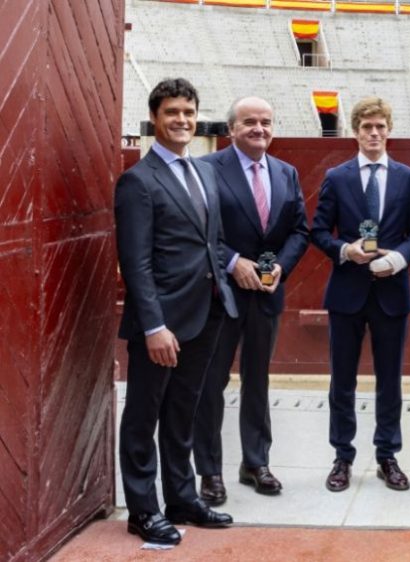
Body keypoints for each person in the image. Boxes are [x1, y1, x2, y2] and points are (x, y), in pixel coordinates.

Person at [115, 78, 238, 545]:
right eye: (172, 113)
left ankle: (182, 498)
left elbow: (214, 243)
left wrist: (224, 284)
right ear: (155, 119)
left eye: (188, 112)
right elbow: (136, 262)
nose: (182, 120)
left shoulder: (204, 171)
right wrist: (153, 325)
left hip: (207, 312)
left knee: (184, 410)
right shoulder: (137, 181)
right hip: (162, 323)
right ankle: (143, 510)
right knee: (145, 414)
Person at [193, 97, 310, 505]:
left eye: (266, 121)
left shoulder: (286, 172)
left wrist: (281, 267)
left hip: (266, 294)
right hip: (221, 295)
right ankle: (209, 471)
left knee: (258, 381)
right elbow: (199, 229)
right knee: (212, 383)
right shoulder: (207, 169)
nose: (259, 128)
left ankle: (255, 463)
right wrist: (232, 262)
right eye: (249, 122)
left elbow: (300, 230)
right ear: (231, 129)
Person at [311, 97, 410, 493]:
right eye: (366, 127)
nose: (373, 134)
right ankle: (342, 456)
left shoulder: (409, 178)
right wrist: (345, 250)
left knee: (389, 381)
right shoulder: (337, 177)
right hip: (347, 293)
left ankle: (387, 456)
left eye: (380, 127)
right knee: (342, 380)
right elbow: (319, 231)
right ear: (355, 132)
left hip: (392, 292)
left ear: (388, 129)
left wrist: (399, 258)